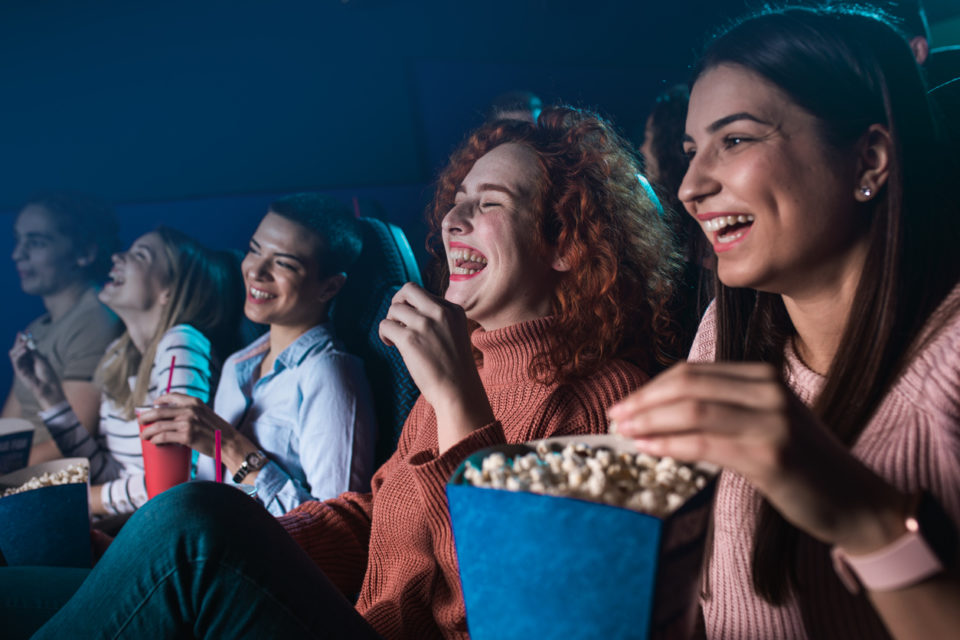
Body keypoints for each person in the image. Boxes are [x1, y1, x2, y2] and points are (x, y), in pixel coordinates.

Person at [12, 106, 680, 639]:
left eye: (492, 202)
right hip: (351, 613)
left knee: (188, 517)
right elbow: (377, 519)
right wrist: (210, 551)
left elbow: (525, 608)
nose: (454, 216)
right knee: (39, 530)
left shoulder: (605, 395)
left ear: (565, 243)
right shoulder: (468, 358)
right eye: (459, 198)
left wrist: (456, 401)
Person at [608, 6, 960, 639]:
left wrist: (869, 522)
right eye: (691, 151)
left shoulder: (951, 362)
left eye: (735, 139)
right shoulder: (724, 331)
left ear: (870, 159)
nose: (689, 186)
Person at [137, 194, 378, 515]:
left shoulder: (330, 373)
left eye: (284, 263)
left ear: (329, 287)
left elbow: (338, 529)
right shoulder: (239, 364)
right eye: (254, 250)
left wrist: (231, 446)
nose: (256, 271)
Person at [10, 227, 242, 516]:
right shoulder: (117, 357)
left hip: (167, 525)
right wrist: (50, 398)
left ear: (168, 291)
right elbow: (107, 472)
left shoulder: (182, 342)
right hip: (129, 523)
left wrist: (78, 500)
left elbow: (174, 485)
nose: (118, 257)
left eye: (140, 255)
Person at [3, 192, 122, 465]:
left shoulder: (95, 320)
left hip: (49, 481)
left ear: (84, 253)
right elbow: (9, 424)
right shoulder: (38, 328)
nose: (17, 254)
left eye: (36, 242)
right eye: (19, 240)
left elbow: (74, 441)